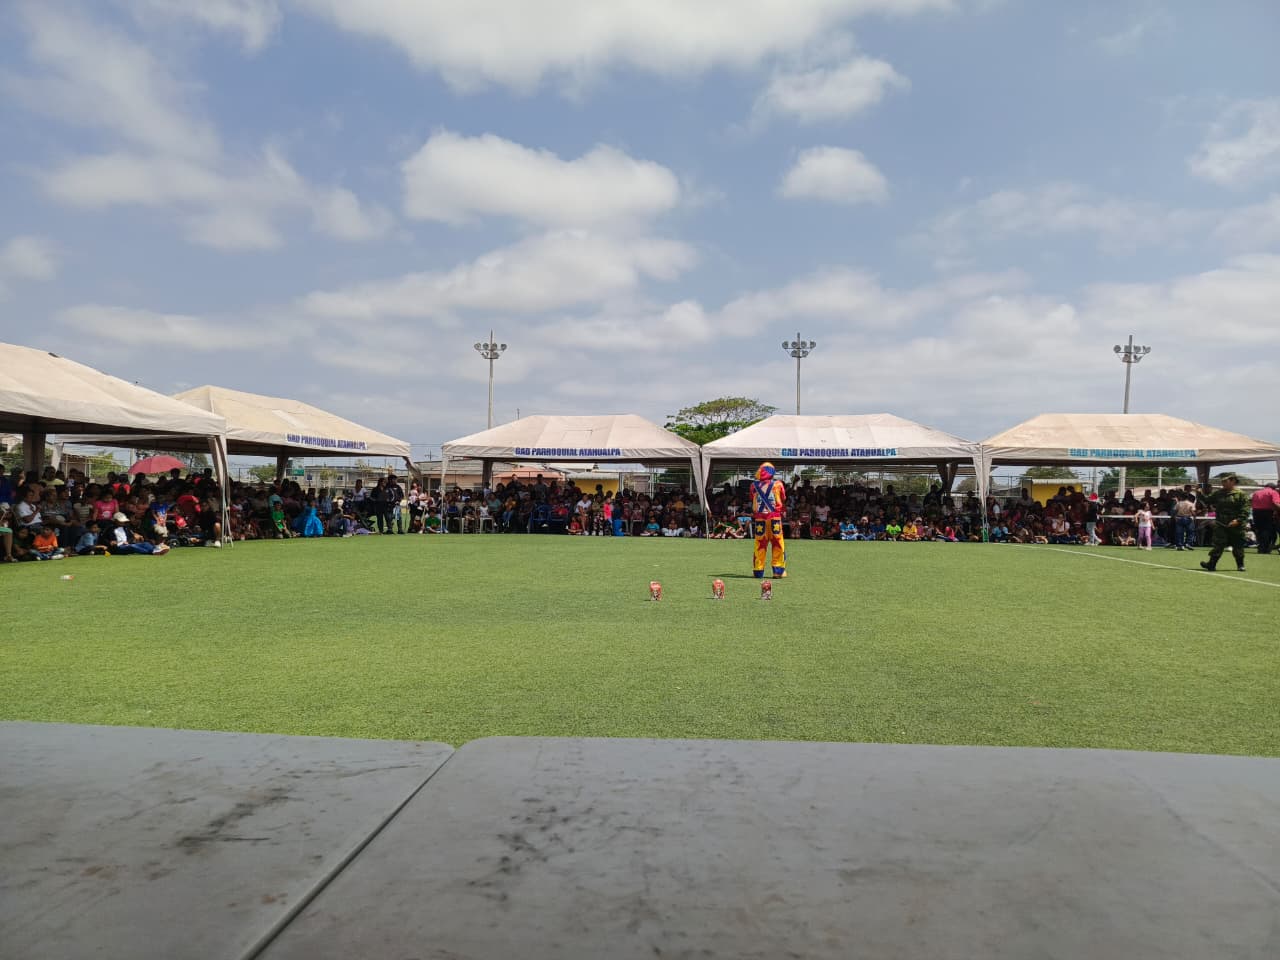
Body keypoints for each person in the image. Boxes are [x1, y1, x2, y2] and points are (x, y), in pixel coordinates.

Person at [1198, 474, 1250, 573]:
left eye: (1225, 481)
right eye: (1222, 481)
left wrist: (1238, 520)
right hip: (1221, 524)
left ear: (1233, 481)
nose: (1223, 483)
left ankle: (1240, 565)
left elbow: (1245, 509)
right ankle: (1211, 564)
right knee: (1218, 544)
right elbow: (1207, 500)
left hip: (1236, 525)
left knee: (1238, 545)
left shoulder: (1241, 494)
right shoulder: (1219, 493)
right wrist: (1199, 493)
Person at [751, 462, 787, 577]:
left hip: (760, 519)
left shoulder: (753, 485)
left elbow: (752, 498)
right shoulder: (778, 484)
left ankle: (758, 570)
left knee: (760, 544)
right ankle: (778, 571)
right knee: (777, 543)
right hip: (774, 517)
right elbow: (783, 497)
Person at [1250, 482, 1280, 555]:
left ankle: (1260, 547)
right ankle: (1265, 548)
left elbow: (1250, 501)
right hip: (1267, 512)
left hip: (1255, 512)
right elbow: (1275, 503)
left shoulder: (1256, 492)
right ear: (1273, 488)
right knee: (1267, 531)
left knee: (1259, 530)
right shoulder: (1273, 492)